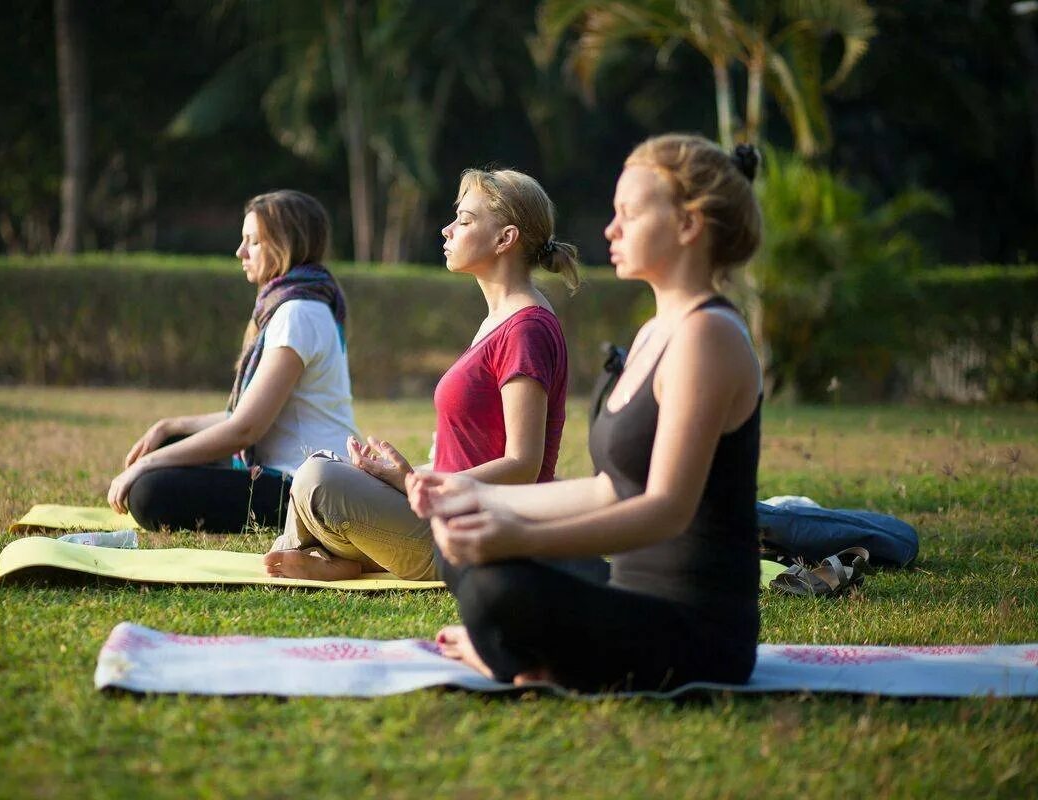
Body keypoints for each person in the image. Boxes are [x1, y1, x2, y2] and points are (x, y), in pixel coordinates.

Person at [406, 134, 764, 693]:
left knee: (496, 588)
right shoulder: (656, 332)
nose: (610, 230)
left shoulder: (708, 337)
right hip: (627, 593)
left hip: (696, 632)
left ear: (689, 226)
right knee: (461, 550)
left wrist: (515, 536)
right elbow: (608, 488)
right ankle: (529, 654)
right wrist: (475, 498)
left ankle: (517, 658)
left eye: (628, 214)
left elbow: (667, 510)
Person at [263, 168, 582, 581]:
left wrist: (413, 480)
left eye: (465, 221)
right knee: (325, 465)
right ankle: (343, 558)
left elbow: (523, 465)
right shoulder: (501, 321)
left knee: (318, 479)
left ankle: (336, 557)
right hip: (445, 512)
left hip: (475, 534)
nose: (447, 231)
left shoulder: (526, 330)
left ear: (505, 239)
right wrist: (399, 479)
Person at [107, 190, 357, 534]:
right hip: (289, 474)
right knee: (169, 444)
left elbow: (245, 429)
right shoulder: (299, 305)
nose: (240, 252)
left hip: (304, 485)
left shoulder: (298, 312)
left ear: (283, 244)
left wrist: (146, 464)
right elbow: (247, 417)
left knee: (149, 491)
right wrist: (169, 425)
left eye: (252, 241)